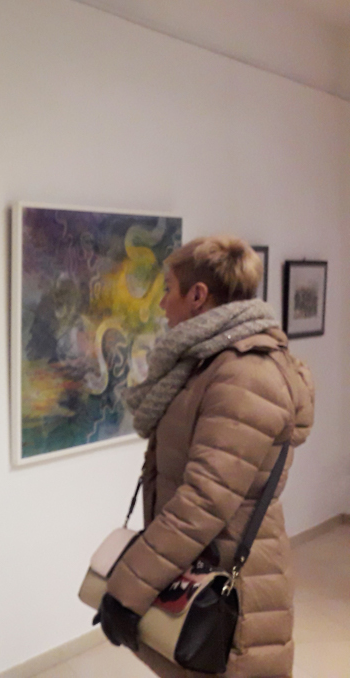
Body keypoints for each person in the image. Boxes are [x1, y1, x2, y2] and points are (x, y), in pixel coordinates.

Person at [95, 236, 314, 678]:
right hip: (198, 569)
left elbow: (203, 502)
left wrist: (127, 589)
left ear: (197, 296)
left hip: (232, 587)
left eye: (168, 289)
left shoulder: (244, 374)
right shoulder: (205, 361)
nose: (161, 303)